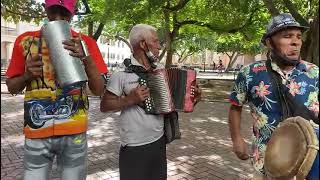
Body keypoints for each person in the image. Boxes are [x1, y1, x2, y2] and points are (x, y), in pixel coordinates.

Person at [5, 0, 108, 179]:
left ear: (74, 12)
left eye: (64, 14)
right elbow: (12, 87)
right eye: (53, 11)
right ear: (45, 9)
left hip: (74, 131)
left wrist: (87, 59)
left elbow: (98, 90)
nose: (58, 18)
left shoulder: (86, 43)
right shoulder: (26, 41)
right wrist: (27, 76)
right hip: (37, 132)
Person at [100, 24, 201, 180]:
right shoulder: (121, 74)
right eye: (155, 41)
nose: (159, 46)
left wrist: (193, 98)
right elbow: (105, 105)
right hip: (133, 148)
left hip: (159, 143)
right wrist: (129, 100)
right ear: (142, 44)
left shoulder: (160, 70)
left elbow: (173, 103)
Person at [228, 13, 318, 180]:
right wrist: (236, 139)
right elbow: (235, 106)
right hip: (266, 161)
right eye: (287, 36)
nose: (296, 41)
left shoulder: (314, 72)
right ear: (270, 42)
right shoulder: (249, 73)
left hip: (308, 163)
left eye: (298, 36)